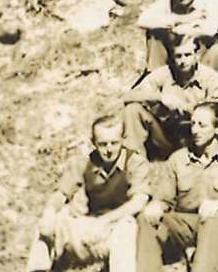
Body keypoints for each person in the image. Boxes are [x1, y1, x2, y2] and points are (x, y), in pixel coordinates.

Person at [135, 102, 218, 272]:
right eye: (193, 124)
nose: (195, 130)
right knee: (145, 218)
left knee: (213, 218)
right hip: (185, 223)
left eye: (202, 125)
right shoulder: (178, 159)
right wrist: (156, 205)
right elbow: (164, 198)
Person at [26, 115, 149, 272]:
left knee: (127, 227)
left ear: (123, 139)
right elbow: (61, 194)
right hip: (89, 225)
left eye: (114, 143)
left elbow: (139, 200)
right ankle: (38, 270)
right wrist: (49, 212)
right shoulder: (84, 162)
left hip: (115, 228)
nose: (109, 149)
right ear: (93, 143)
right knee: (48, 222)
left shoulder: (135, 162)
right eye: (103, 144)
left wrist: (105, 221)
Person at [122, 39, 218, 158]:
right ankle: (134, 163)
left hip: (196, 135)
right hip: (166, 135)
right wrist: (161, 97)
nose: (183, 61)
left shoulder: (210, 76)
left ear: (196, 55)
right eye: (178, 56)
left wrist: (190, 109)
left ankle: (217, 162)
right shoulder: (164, 73)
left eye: (187, 55)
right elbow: (128, 96)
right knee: (132, 109)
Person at [137, 0, 218, 70]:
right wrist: (185, 18)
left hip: (202, 55)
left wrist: (181, 29)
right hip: (176, 53)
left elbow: (210, 30)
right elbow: (142, 20)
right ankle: (156, 73)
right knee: (155, 33)